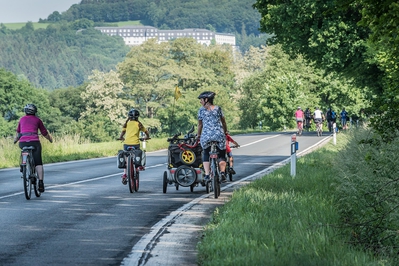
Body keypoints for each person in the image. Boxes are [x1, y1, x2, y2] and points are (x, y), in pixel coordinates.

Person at [14, 103, 53, 193]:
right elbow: (44, 132)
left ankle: (23, 165)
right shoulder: (38, 120)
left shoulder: (22, 119)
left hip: (23, 142)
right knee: (38, 162)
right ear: (35, 111)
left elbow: (18, 134)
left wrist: (15, 140)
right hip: (34, 142)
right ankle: (41, 183)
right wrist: (50, 139)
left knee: (23, 150)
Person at [196, 91, 229, 183]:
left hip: (206, 136)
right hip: (219, 135)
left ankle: (207, 174)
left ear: (206, 100)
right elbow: (223, 122)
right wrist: (225, 131)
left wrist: (198, 135)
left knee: (206, 152)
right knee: (222, 154)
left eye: (201, 100)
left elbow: (200, 125)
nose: (200, 102)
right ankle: (222, 173)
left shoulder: (201, 110)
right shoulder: (218, 109)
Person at [117, 108, 150, 185]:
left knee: (125, 157)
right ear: (138, 117)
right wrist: (146, 137)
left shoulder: (126, 124)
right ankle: (140, 166)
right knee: (139, 153)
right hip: (135, 144)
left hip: (126, 144)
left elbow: (122, 133)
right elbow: (146, 132)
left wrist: (121, 137)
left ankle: (125, 174)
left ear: (129, 117)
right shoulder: (139, 124)